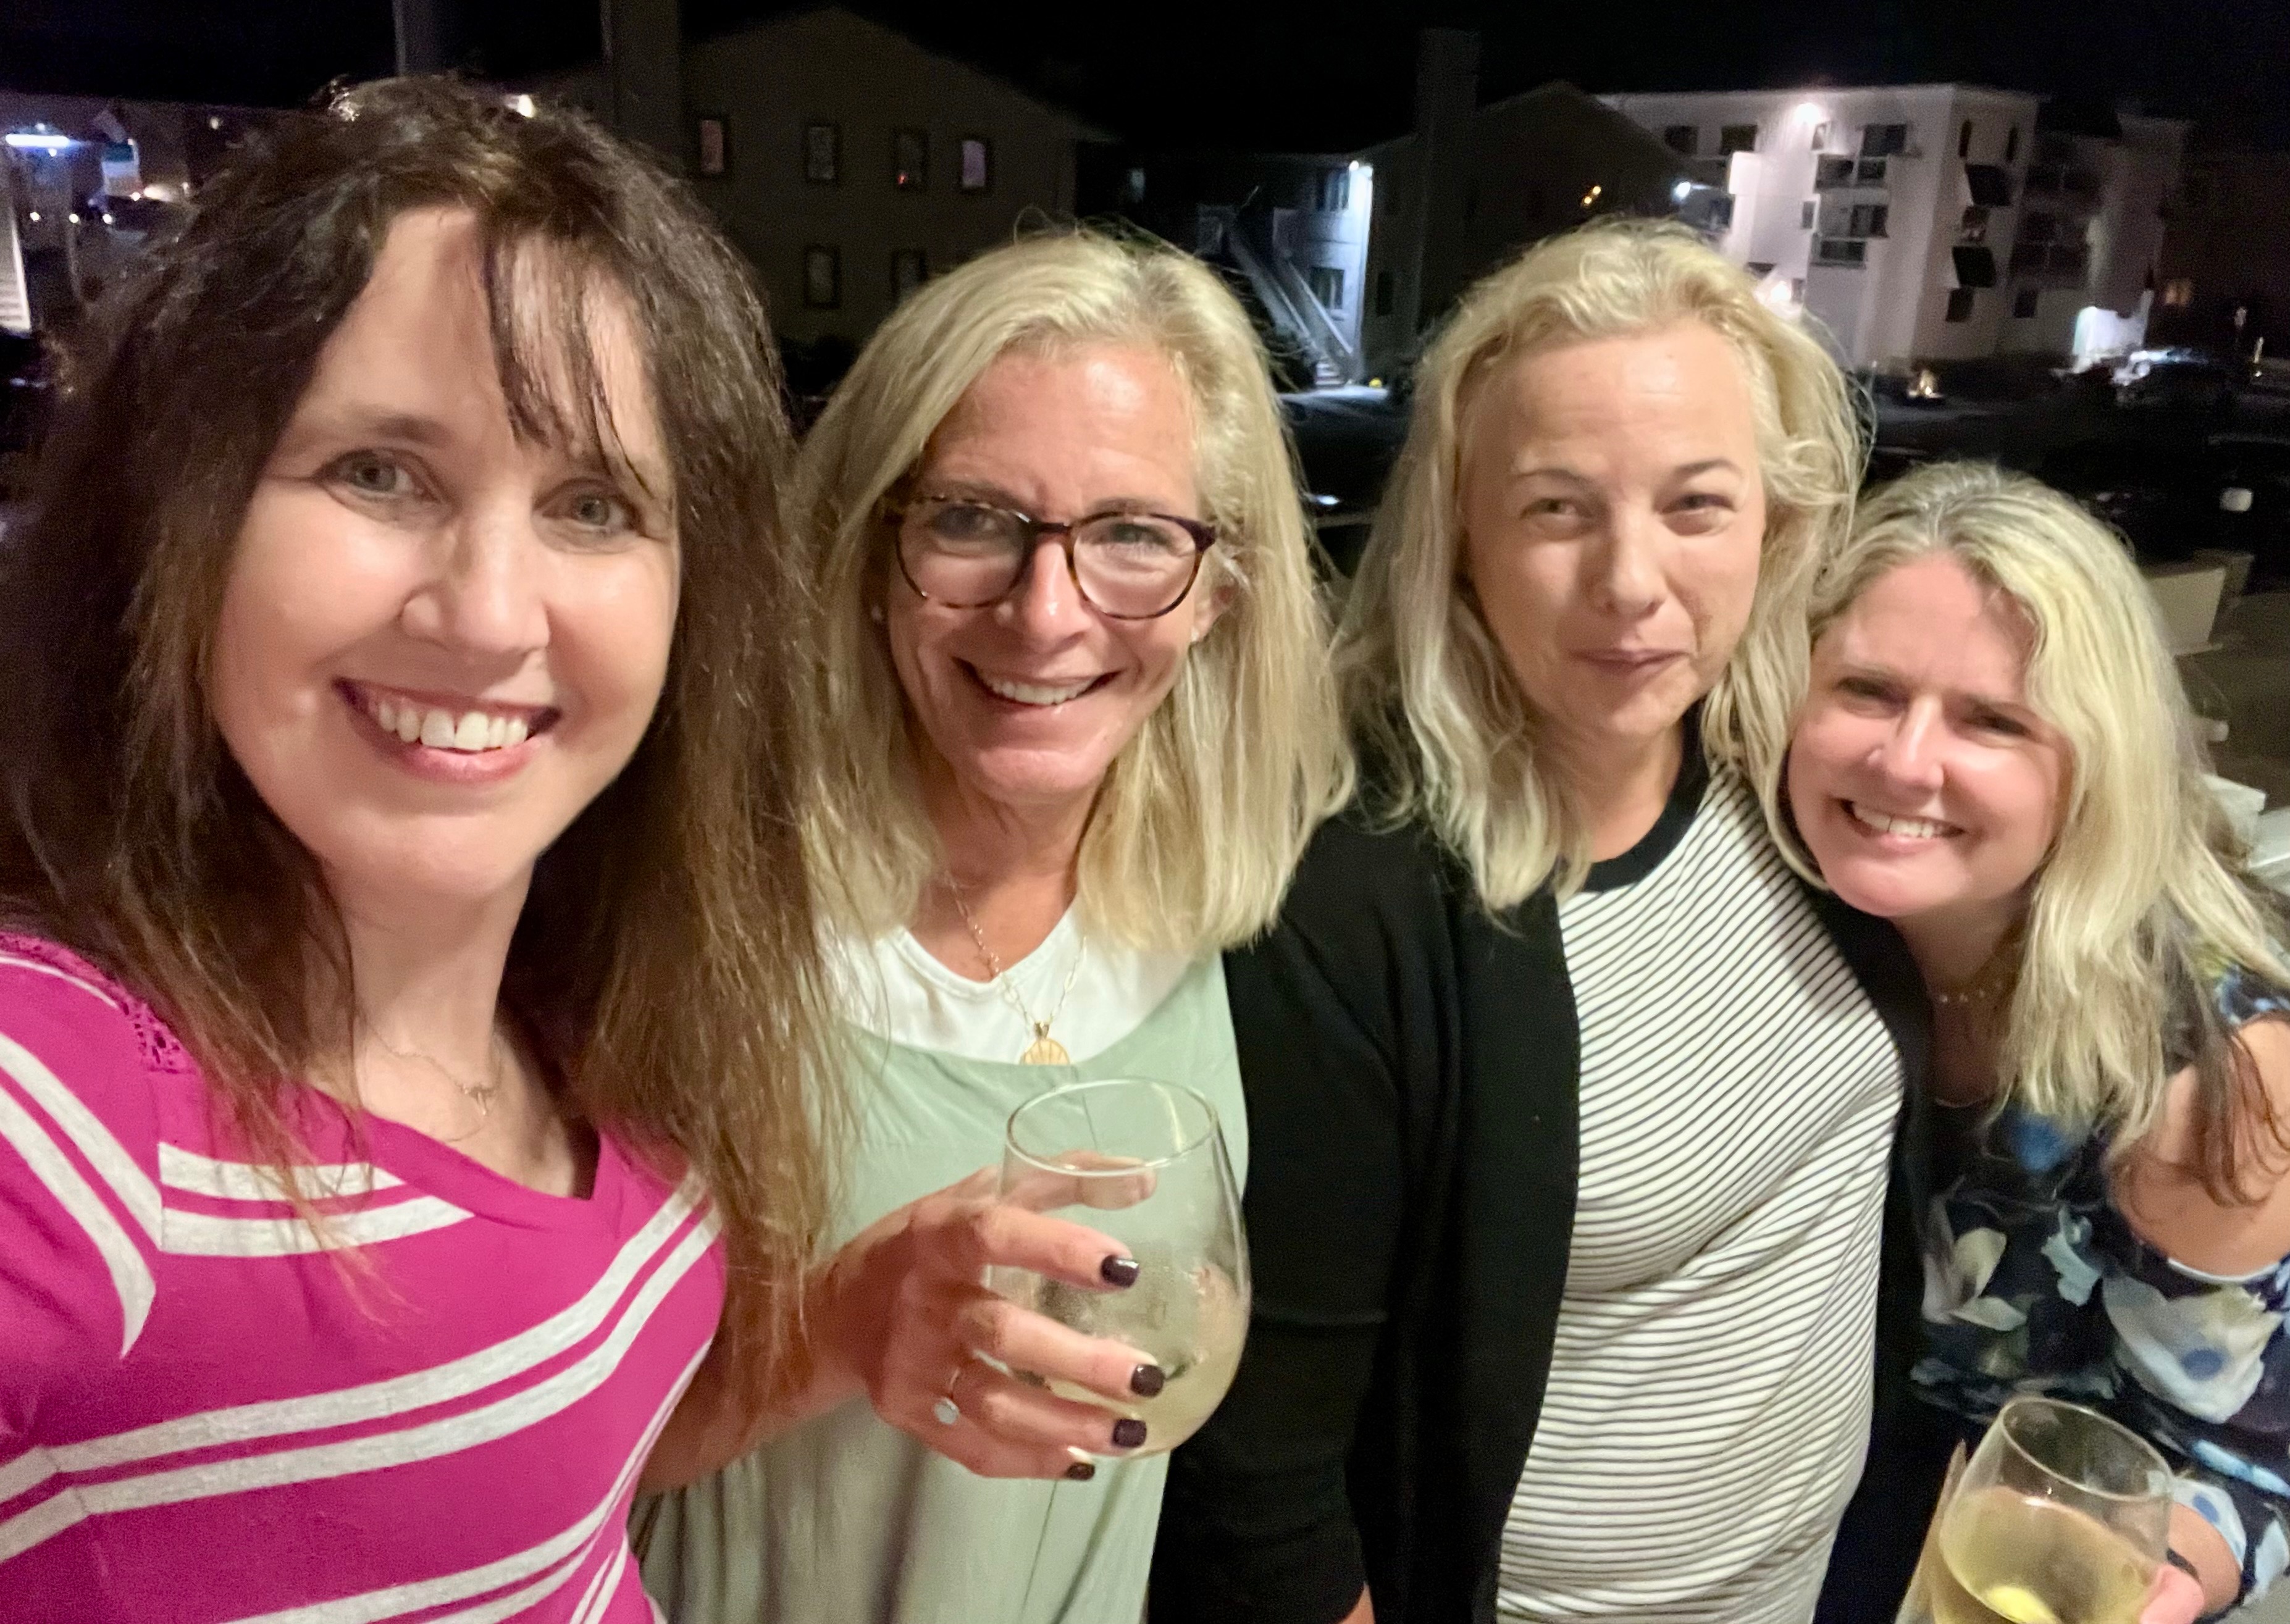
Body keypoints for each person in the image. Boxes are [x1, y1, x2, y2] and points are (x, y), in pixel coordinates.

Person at [0, 78, 844, 1619]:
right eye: (380, 472)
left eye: (592, 504)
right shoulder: (66, 1114)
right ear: (175, 513)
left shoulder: (585, 1002)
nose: (488, 614)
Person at [1151, 219, 1932, 1624]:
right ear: (1461, 544)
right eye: (1558, 509)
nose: (1631, 581)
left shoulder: (1812, 791)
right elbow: (1263, 1479)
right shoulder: (1355, 903)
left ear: (1781, 520)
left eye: (1696, 505)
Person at [634, 229, 1348, 1623]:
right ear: (869, 547)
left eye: (1133, 535)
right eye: (972, 520)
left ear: (1220, 589)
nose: (1046, 612)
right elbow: (506, 1469)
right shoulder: (704, 911)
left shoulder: (1225, 916)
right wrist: (835, 1333)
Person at [1787, 463, 2290, 1624]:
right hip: (1823, 1469)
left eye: (1994, 720)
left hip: (2024, 1520)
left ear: (2097, 762)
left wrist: (2157, 1581)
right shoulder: (1783, 914)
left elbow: (2236, 1463)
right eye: (1868, 689)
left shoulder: (2199, 1073)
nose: (1905, 761)